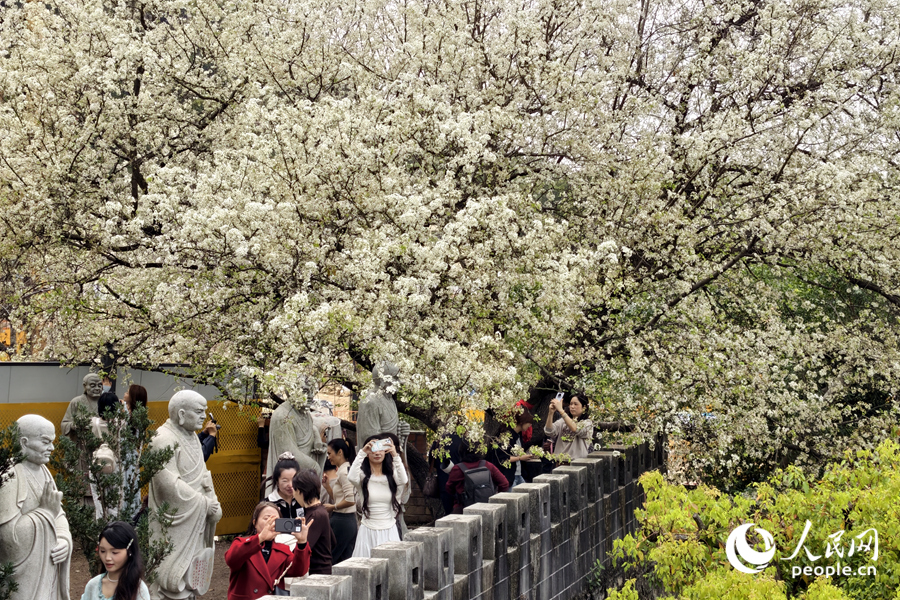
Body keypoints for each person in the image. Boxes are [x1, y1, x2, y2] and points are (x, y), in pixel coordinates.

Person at [148, 390, 222, 600]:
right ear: (181, 414)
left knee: (191, 578)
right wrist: (203, 503)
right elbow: (168, 484)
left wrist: (212, 500)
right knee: (171, 580)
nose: (204, 416)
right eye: (199, 411)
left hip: (195, 518)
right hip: (177, 518)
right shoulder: (162, 439)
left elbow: (203, 476)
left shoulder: (192, 438)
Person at [0, 414, 73, 600]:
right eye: (45, 442)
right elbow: (9, 538)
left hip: (48, 566)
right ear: (24, 442)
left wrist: (64, 539)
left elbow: (58, 514)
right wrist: (44, 513)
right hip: (24, 581)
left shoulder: (44, 471)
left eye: (53, 442)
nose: (52, 448)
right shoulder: (10, 475)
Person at [225, 501, 313, 599]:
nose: (271, 523)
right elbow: (231, 559)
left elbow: (298, 571)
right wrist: (260, 538)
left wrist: (302, 542)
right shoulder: (242, 543)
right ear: (255, 523)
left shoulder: (282, 549)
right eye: (267, 519)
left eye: (276, 520)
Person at [348, 433, 408, 558]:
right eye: (373, 449)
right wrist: (362, 452)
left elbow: (403, 480)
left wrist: (395, 455)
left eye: (381, 449)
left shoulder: (391, 477)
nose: (377, 453)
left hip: (389, 529)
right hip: (367, 530)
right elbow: (351, 477)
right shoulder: (363, 477)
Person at [81, 521, 150, 600]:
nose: (107, 558)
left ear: (129, 551)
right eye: (103, 551)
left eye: (115, 552)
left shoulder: (139, 590)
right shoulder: (93, 585)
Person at [446, 440, 509, 512]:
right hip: (487, 507)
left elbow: (449, 488)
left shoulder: (457, 469)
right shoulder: (487, 465)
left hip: (463, 509)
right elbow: (504, 483)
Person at [291, 469, 334, 574]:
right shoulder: (320, 510)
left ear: (300, 491)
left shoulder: (316, 515)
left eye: (294, 490)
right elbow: (333, 541)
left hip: (318, 573)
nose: (293, 494)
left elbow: (305, 546)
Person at [322, 439, 357, 564]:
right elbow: (341, 497)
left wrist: (333, 507)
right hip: (345, 520)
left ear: (340, 452)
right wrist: (328, 487)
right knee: (344, 559)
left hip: (343, 521)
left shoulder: (344, 472)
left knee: (331, 557)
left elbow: (350, 500)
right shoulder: (343, 470)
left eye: (330, 453)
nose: (329, 457)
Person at [262, 453, 302, 549]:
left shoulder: (302, 502)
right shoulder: (268, 504)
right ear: (276, 481)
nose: (290, 485)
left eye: (294, 480)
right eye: (285, 481)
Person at [544, 394, 594, 461]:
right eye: (571, 404)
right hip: (560, 462)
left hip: (578, 463)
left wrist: (561, 411)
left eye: (576, 404)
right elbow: (549, 431)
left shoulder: (588, 423)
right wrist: (551, 413)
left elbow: (575, 428)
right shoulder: (562, 421)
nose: (572, 407)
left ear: (584, 407)